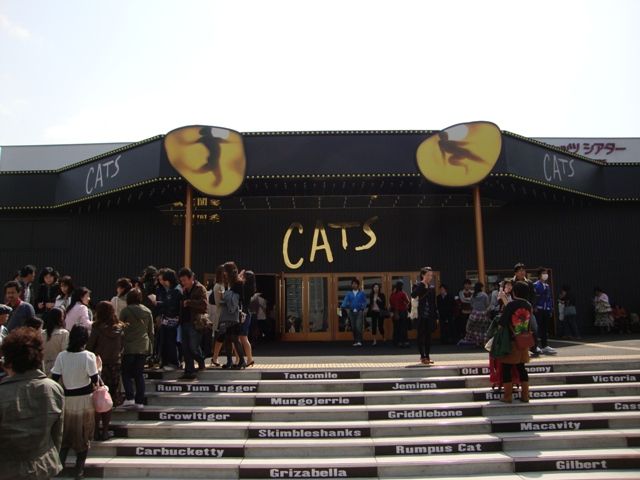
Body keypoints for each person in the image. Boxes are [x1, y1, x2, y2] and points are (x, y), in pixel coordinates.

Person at [0, 327, 65, 480]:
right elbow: (57, 434)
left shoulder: (3, 392)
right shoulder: (53, 389)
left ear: (9, 361)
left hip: (7, 469)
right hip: (43, 465)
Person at [51, 325, 99, 480]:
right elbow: (95, 379)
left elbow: (54, 378)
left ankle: (59, 468)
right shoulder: (88, 356)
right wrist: (99, 368)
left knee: (65, 435)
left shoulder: (62, 356)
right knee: (83, 435)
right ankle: (79, 471)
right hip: (84, 400)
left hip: (67, 399)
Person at [87, 301, 124, 439]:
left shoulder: (97, 328)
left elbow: (90, 347)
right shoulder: (119, 328)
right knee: (108, 399)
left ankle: (96, 430)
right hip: (115, 364)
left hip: (99, 365)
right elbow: (122, 346)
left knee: (97, 397)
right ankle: (106, 430)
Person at [498, 281, 533, 403]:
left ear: (514, 292)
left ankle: (507, 396)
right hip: (524, 340)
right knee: (521, 367)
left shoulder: (511, 305)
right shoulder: (528, 305)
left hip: (511, 340)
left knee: (506, 367)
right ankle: (525, 395)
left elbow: (502, 322)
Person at [119, 289, 154, 408]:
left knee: (126, 373)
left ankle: (129, 397)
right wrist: (151, 348)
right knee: (139, 373)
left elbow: (120, 328)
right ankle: (140, 401)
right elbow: (151, 332)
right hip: (143, 345)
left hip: (129, 346)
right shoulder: (148, 311)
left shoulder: (126, 311)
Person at [178, 268, 208, 379]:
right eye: (181, 280)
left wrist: (189, 302)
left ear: (191, 278)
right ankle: (189, 371)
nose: (183, 282)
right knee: (185, 348)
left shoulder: (200, 288)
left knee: (193, 347)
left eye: (185, 280)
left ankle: (201, 360)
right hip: (184, 321)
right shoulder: (183, 290)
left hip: (195, 322)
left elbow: (204, 304)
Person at [218, 262, 247, 369]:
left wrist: (225, 296)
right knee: (227, 338)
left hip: (234, 313)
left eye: (225, 271)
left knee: (234, 338)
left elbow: (239, 299)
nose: (223, 273)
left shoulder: (237, 283)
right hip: (228, 313)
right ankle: (229, 361)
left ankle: (241, 361)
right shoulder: (228, 282)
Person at [155, 269, 182, 371]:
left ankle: (174, 363)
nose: (163, 282)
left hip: (173, 320)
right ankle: (166, 362)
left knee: (171, 342)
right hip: (167, 319)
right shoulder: (171, 290)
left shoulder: (176, 290)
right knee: (165, 341)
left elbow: (172, 305)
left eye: (165, 280)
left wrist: (159, 304)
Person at [512, 263, 541, 357]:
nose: (522, 272)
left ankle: (534, 347)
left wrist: (532, 306)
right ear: (515, 272)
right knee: (519, 330)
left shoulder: (529, 283)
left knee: (533, 327)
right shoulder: (511, 282)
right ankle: (519, 349)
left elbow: (533, 296)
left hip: (528, 309)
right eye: (520, 270)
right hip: (515, 310)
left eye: (523, 270)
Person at [411, 267, 438, 364]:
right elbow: (413, 295)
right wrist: (422, 284)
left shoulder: (432, 288)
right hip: (420, 315)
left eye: (431, 275)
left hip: (429, 315)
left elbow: (433, 303)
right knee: (420, 336)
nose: (430, 277)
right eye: (428, 275)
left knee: (428, 337)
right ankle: (422, 356)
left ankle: (427, 356)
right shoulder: (417, 285)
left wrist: (435, 316)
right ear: (422, 275)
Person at [457, 282, 490, 348]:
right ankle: (483, 342)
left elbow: (471, 304)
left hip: (474, 314)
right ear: (481, 288)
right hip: (483, 314)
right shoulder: (484, 295)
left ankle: (475, 342)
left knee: (473, 329)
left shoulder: (473, 295)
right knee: (482, 329)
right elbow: (487, 304)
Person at [533, 268, 557, 355]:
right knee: (536, 328)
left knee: (545, 328)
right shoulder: (535, 285)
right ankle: (535, 346)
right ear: (539, 275)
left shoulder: (547, 286)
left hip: (546, 309)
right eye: (543, 273)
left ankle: (545, 345)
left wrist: (550, 308)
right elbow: (534, 297)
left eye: (546, 273)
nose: (546, 275)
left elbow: (549, 298)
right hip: (538, 309)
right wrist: (534, 306)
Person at [42, 307, 69, 375]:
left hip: (43, 367)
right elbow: (65, 352)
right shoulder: (64, 333)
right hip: (58, 368)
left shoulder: (42, 333)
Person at [341, 278, 367, 347]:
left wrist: (362, 308)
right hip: (351, 312)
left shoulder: (361, 293)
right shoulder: (349, 293)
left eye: (355, 284)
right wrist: (344, 306)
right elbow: (345, 302)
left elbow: (365, 302)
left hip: (359, 312)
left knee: (358, 326)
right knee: (353, 327)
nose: (354, 285)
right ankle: (355, 340)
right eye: (352, 284)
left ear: (358, 285)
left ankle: (359, 341)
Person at [209, 265, 226, 367]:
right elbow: (219, 302)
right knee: (220, 337)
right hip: (221, 315)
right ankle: (215, 357)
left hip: (224, 315)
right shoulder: (218, 286)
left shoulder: (222, 285)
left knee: (226, 337)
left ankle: (215, 357)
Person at [239, 270, 256, 366]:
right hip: (247, 313)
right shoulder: (251, 288)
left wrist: (239, 276)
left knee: (238, 338)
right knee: (244, 337)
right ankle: (249, 359)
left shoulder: (242, 287)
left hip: (241, 314)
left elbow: (235, 283)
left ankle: (238, 360)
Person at [389, 281, 410, 347]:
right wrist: (406, 306)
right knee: (403, 328)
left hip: (395, 313)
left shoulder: (392, 295)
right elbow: (408, 301)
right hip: (402, 312)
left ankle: (396, 342)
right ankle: (404, 342)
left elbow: (391, 303)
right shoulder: (403, 293)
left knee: (396, 328)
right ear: (401, 286)